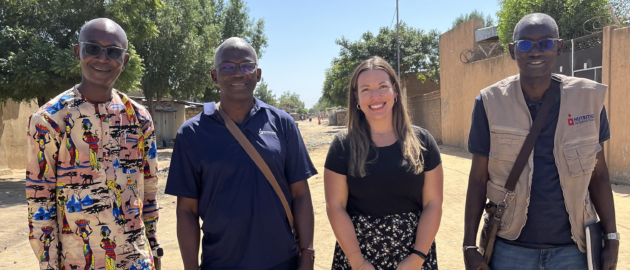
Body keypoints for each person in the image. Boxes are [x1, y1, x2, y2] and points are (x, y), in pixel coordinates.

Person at [463, 13, 619, 270]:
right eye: (525, 44)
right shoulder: (489, 103)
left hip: (573, 250)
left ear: (559, 46)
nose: (535, 52)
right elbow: (478, 179)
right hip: (510, 250)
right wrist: (469, 246)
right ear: (513, 51)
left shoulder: (588, 100)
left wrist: (611, 237)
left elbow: (599, 175)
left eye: (545, 43)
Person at [165, 37, 317, 270]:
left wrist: (306, 255)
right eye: (227, 67)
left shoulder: (282, 123)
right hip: (220, 264)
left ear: (257, 74)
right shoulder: (192, 133)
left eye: (246, 66)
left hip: (282, 261)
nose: (238, 73)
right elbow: (186, 210)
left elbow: (301, 195)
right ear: (215, 76)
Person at [25, 18, 161, 270]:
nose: (102, 58)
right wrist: (49, 265)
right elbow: (40, 201)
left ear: (124, 60)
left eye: (113, 51)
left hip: (135, 261)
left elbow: (150, 190)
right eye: (92, 48)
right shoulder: (50, 120)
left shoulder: (139, 117)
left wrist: (154, 248)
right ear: (78, 52)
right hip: (77, 263)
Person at [324, 56, 443, 270]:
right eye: (366, 89)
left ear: (395, 91)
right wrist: (358, 262)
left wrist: (417, 257)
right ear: (357, 98)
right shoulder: (343, 146)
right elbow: (335, 206)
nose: (375, 95)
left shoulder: (422, 142)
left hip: (413, 256)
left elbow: (433, 204)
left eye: (382, 86)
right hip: (358, 256)